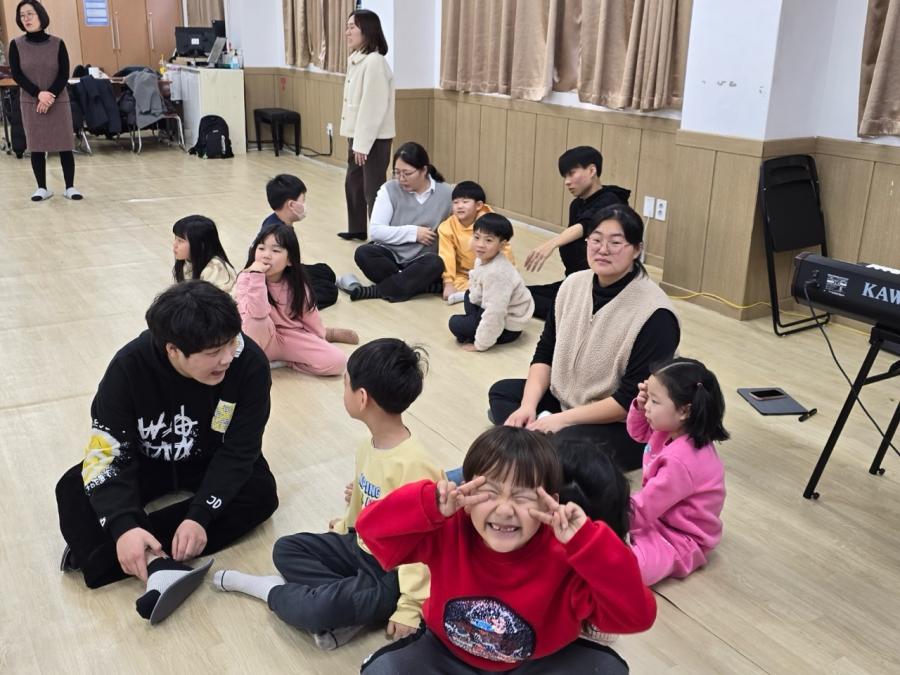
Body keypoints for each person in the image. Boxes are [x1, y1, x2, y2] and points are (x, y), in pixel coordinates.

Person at [54, 281, 279, 624]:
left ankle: (103, 555)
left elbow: (240, 449)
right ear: (173, 350)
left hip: (210, 458)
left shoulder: (248, 363)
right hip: (147, 460)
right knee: (72, 486)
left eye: (231, 342)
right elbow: (108, 452)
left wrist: (200, 515)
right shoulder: (128, 368)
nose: (226, 357)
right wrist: (124, 525)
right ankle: (152, 560)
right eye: (213, 352)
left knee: (261, 493)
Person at [356, 426, 656, 673]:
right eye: (489, 492)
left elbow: (636, 617)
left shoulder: (565, 552)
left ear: (549, 503)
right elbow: (371, 533)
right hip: (446, 654)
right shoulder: (450, 528)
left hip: (537, 661)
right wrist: (425, 503)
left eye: (523, 496)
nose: (504, 509)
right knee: (382, 671)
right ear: (467, 491)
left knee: (608, 669)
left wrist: (590, 543)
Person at [212, 338, 442, 650]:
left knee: (316, 610)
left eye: (345, 383)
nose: (342, 390)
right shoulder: (368, 446)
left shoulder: (415, 466)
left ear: (362, 398)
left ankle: (271, 591)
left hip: (391, 574)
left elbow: (424, 545)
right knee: (287, 549)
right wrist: (346, 526)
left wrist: (410, 608)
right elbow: (364, 501)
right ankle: (352, 608)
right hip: (360, 548)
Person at [489, 204, 680, 472]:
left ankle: (527, 446)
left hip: (620, 423)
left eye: (616, 242)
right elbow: (545, 353)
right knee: (502, 393)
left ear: (637, 249)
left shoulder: (656, 314)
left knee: (568, 444)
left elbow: (629, 401)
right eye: (596, 240)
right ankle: (537, 444)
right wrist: (528, 406)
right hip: (566, 399)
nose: (603, 249)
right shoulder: (573, 284)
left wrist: (562, 420)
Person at [627, 357, 728, 586]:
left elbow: (643, 508)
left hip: (681, 538)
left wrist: (609, 517)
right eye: (648, 398)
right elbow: (637, 433)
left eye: (654, 401)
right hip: (656, 516)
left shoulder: (681, 460)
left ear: (684, 410)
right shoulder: (669, 429)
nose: (648, 406)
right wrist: (641, 407)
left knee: (632, 569)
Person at [235, 223, 357, 377]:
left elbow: (310, 315)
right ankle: (272, 358)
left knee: (338, 362)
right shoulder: (246, 278)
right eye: (261, 248)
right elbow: (257, 313)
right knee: (257, 320)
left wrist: (318, 341)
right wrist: (257, 277)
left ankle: (288, 361)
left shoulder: (297, 284)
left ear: (290, 260)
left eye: (275, 250)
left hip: (290, 337)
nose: (266, 255)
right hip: (257, 338)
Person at [337, 142, 452, 302]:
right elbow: (376, 231)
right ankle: (421, 285)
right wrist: (413, 233)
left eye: (407, 173)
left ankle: (375, 291)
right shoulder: (389, 189)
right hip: (391, 257)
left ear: (424, 170)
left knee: (435, 263)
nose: (401, 179)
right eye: (397, 173)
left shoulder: (446, 193)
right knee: (364, 253)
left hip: (422, 260)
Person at [525, 147, 629, 320]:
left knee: (526, 302)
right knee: (521, 294)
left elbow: (587, 225)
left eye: (571, 174)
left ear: (592, 170)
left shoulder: (611, 201)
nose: (567, 182)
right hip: (576, 282)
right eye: (565, 177)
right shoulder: (577, 205)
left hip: (599, 290)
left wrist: (551, 244)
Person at [8, 1, 82, 201]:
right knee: (36, 144)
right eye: (22, 15)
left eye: (30, 14)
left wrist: (49, 95)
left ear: (40, 15)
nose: (26, 19)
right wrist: (38, 94)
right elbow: (17, 74)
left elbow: (63, 73)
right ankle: (42, 187)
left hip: (57, 100)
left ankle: (70, 187)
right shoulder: (16, 45)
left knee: (65, 143)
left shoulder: (58, 43)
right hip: (31, 101)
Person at [337, 9, 395, 241]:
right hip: (358, 136)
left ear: (367, 30)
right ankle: (357, 229)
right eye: (347, 26)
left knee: (373, 190)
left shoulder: (375, 62)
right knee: (353, 184)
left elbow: (373, 107)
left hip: (373, 139)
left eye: (352, 27)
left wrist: (362, 144)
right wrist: (357, 142)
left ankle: (380, 237)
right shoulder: (358, 60)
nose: (347, 32)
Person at [448, 213, 534, 352]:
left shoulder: (497, 274)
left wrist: (480, 344)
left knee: (455, 323)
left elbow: (496, 312)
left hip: (508, 326)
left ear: (502, 245)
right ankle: (475, 324)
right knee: (469, 294)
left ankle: (480, 331)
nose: (480, 245)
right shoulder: (482, 259)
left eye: (488, 240)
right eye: (476, 237)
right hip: (497, 310)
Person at [260, 173, 338, 309]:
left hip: (286, 270)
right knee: (329, 291)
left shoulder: (274, 220)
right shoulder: (278, 233)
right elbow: (276, 272)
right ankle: (290, 305)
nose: (304, 205)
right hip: (279, 278)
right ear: (291, 204)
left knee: (325, 271)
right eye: (303, 201)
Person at [438, 180, 514, 305]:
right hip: (465, 274)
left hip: (490, 270)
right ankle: (475, 294)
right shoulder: (446, 227)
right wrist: (448, 283)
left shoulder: (491, 223)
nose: (459, 206)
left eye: (465, 202)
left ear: (478, 205)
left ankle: (473, 295)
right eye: (455, 202)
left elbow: (504, 251)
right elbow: (447, 256)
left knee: (502, 284)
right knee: (457, 283)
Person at [172, 215, 237, 293]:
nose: (174, 244)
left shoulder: (214, 268)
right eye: (175, 238)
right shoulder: (186, 262)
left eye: (180, 241)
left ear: (200, 245)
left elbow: (215, 300)